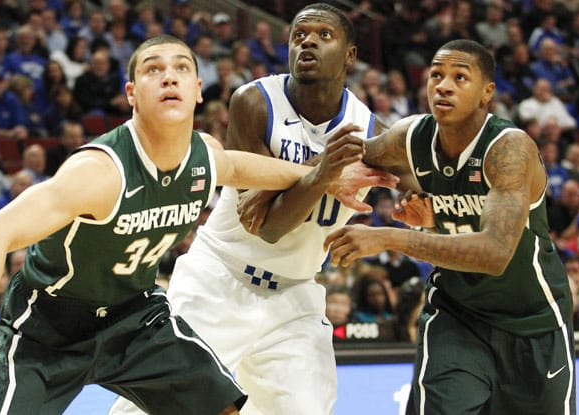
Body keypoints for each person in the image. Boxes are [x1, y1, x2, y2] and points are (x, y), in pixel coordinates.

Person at [0, 34, 370, 415]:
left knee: (223, 407)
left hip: (133, 317)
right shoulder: (99, 172)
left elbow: (238, 166)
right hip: (50, 325)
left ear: (198, 90)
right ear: (131, 94)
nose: (168, 76)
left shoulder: (204, 156)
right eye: (153, 69)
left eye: (181, 68)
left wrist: (323, 178)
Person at [109, 4, 398, 415]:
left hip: (295, 294)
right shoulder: (256, 102)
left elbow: (424, 185)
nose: (308, 42)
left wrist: (408, 217)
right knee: (152, 408)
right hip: (219, 279)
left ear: (350, 55)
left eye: (323, 35)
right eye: (299, 35)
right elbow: (265, 225)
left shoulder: (372, 134)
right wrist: (323, 172)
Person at [324, 39, 576, 414]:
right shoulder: (411, 137)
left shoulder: (508, 150)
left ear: (487, 92)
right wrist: (296, 178)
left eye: (460, 77)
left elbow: (494, 253)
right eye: (436, 75)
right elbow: (345, 155)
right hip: (457, 315)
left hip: (533, 321)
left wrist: (389, 237)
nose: (443, 86)